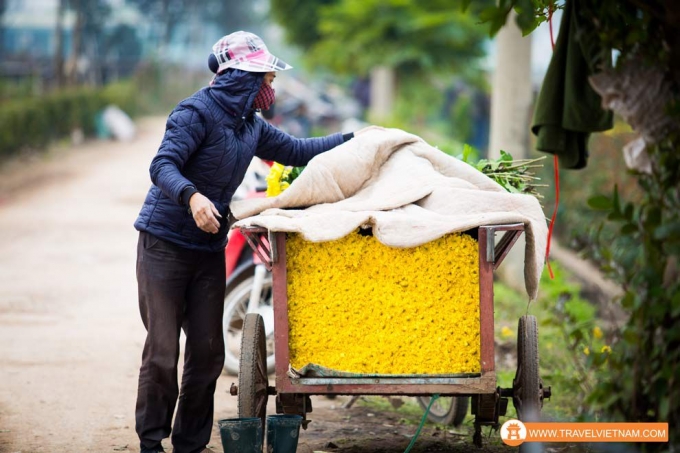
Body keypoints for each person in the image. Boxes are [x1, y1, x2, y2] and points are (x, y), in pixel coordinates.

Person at [133, 31, 375, 453]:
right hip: (164, 246)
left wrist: (360, 140)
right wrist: (192, 198)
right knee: (163, 353)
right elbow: (162, 164)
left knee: (208, 353)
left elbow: (299, 150)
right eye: (266, 78)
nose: (271, 87)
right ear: (242, 78)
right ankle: (152, 442)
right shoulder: (195, 113)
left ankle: (189, 444)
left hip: (206, 249)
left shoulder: (251, 126)